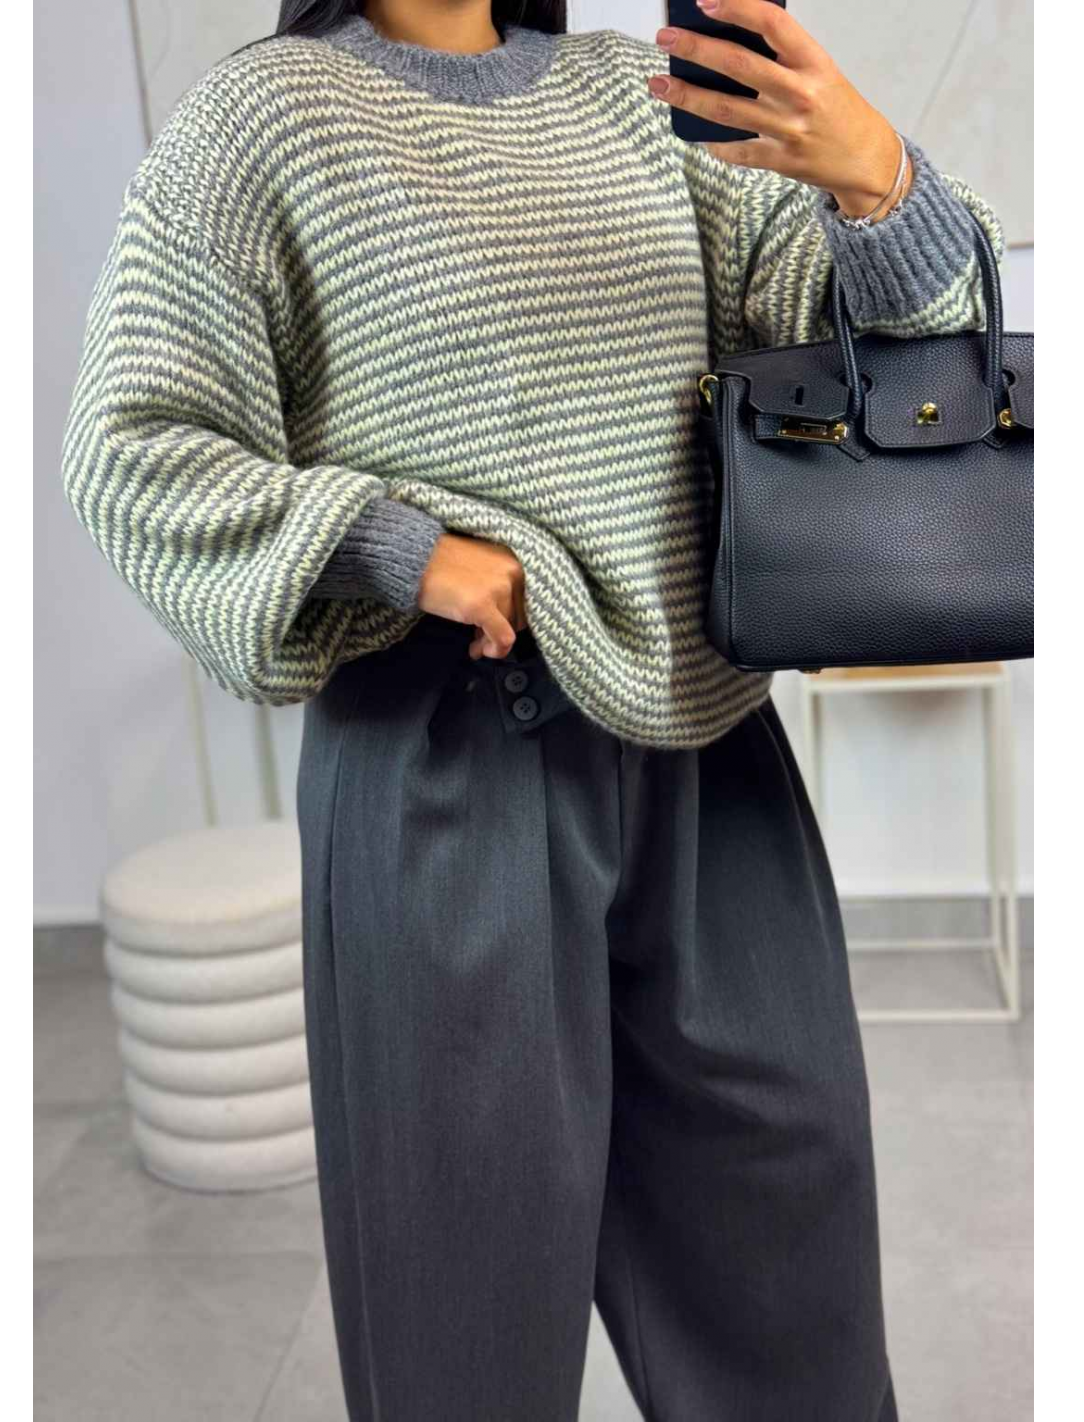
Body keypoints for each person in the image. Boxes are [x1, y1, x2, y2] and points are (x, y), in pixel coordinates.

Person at [60, 2, 1005, 1417]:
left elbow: (908, 361)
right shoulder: (260, 122)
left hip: (709, 757)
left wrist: (877, 177)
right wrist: (392, 545)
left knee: (792, 1290)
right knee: (465, 1331)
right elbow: (131, 444)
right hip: (444, 766)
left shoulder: (645, 98)